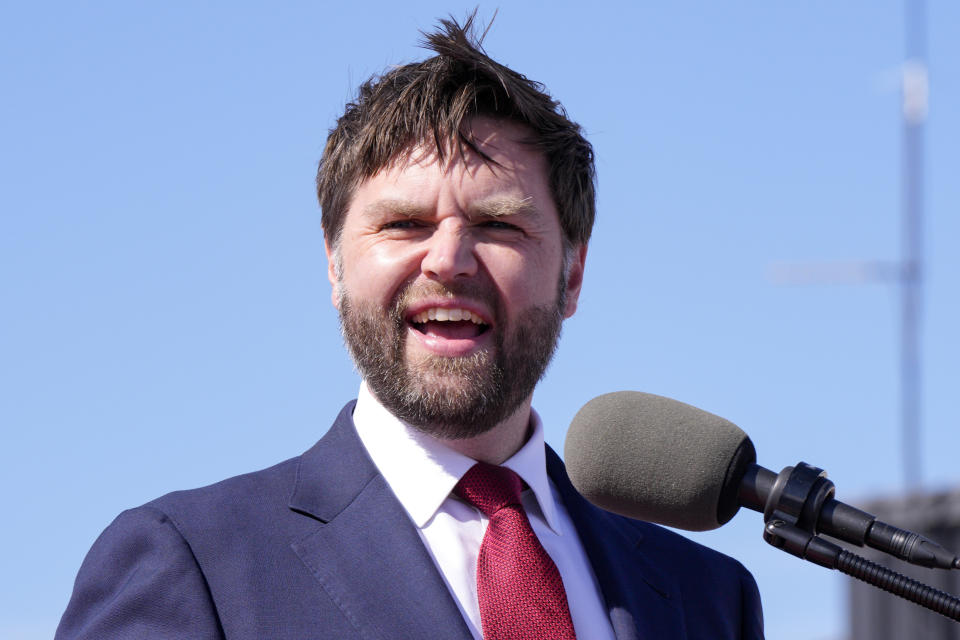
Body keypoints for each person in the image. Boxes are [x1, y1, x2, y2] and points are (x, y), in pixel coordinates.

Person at [57, 15, 764, 640]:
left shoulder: (708, 600)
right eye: (404, 224)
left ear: (572, 274)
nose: (449, 260)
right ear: (334, 267)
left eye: (497, 224)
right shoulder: (195, 567)